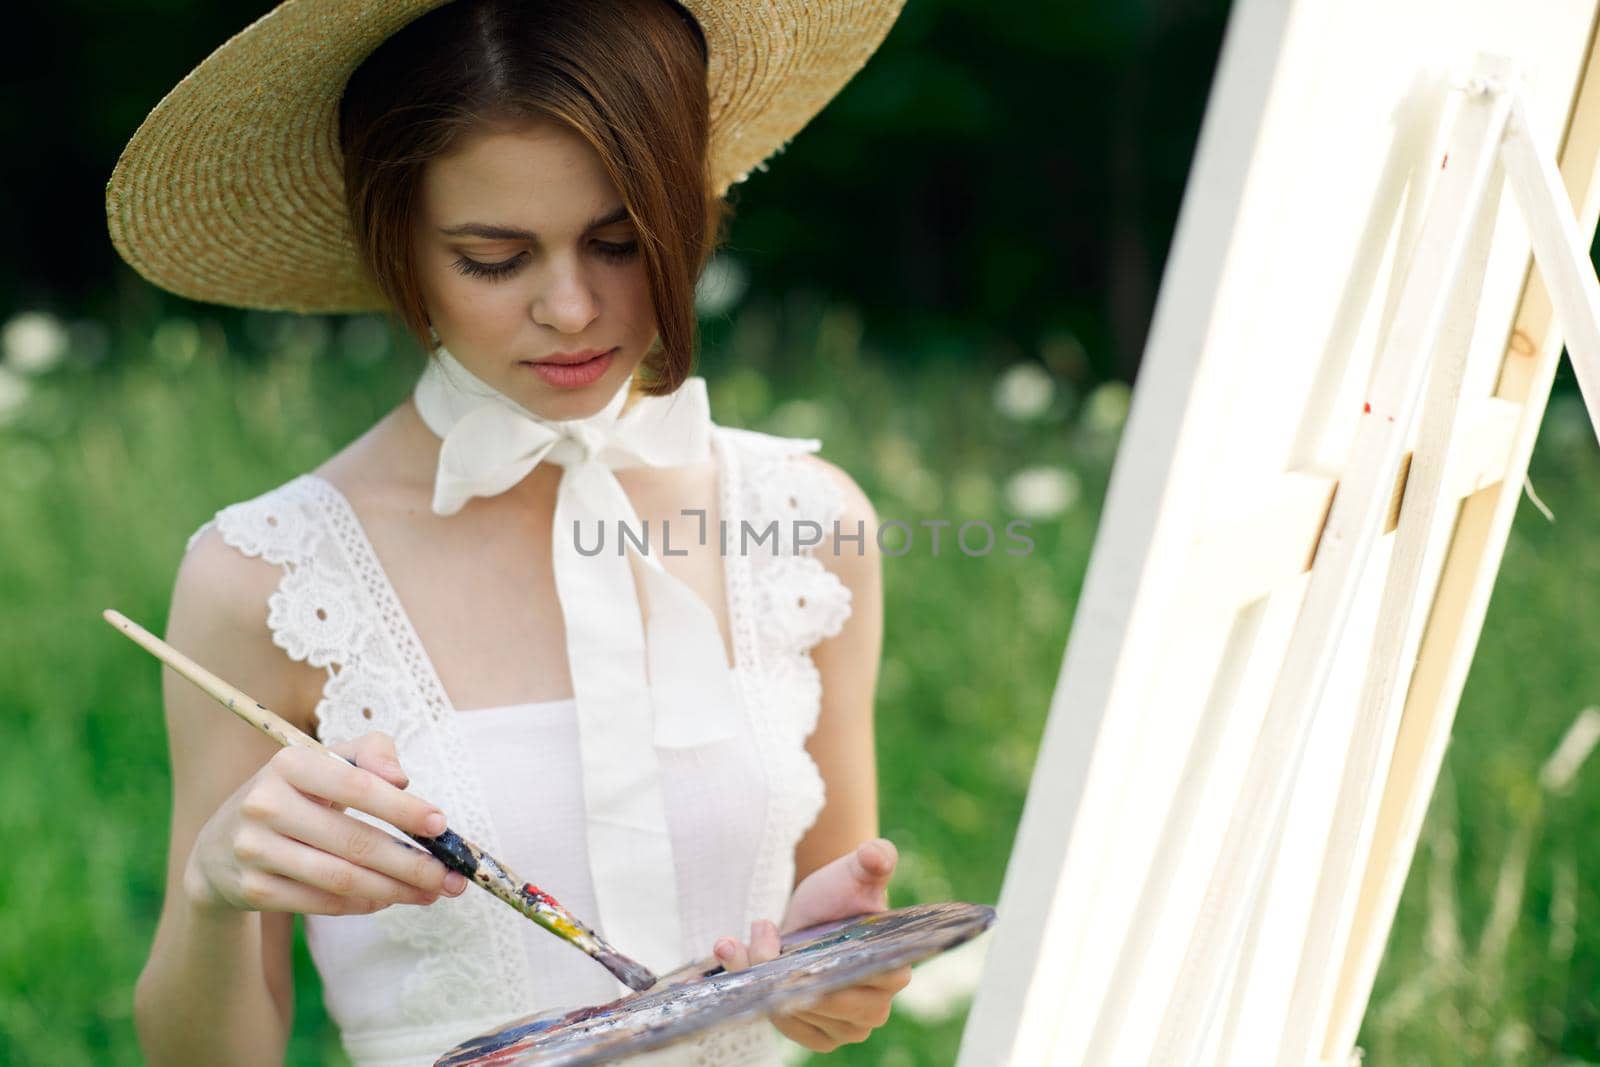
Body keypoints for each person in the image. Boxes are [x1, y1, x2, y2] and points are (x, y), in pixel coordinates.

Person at [108, 0, 911, 1064]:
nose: (572, 307)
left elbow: (827, 951)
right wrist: (214, 889)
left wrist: (828, 979)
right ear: (399, 249)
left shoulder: (809, 526)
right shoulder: (262, 576)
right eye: (494, 257)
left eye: (620, 241)